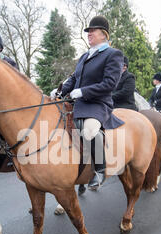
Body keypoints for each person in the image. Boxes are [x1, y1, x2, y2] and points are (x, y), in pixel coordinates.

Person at [51, 16, 124, 189]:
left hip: (98, 104)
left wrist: (83, 91)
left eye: (93, 31)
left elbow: (110, 84)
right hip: (79, 104)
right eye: (88, 31)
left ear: (103, 34)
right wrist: (61, 91)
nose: (89, 34)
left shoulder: (113, 54)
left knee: (89, 131)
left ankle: (100, 169)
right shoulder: (84, 56)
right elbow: (74, 78)